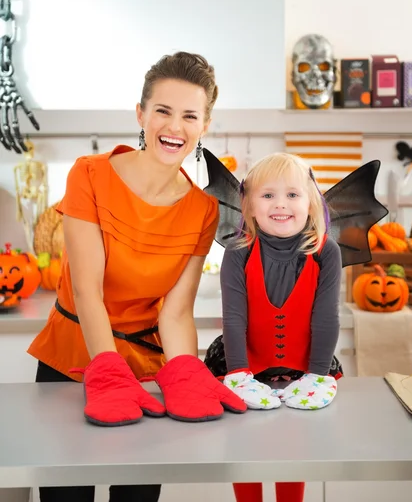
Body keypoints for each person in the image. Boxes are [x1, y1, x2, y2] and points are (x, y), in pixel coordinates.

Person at [27, 51, 246, 502]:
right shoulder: (90, 175)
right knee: (65, 496)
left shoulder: (203, 210)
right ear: (141, 113)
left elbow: (177, 312)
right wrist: (107, 376)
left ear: (205, 125)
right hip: (74, 361)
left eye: (190, 115)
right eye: (163, 110)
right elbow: (88, 289)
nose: (174, 127)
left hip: (148, 371)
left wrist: (184, 372)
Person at [205, 151, 343, 502]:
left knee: (293, 455)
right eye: (268, 195)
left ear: (310, 203)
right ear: (248, 206)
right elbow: (233, 317)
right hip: (244, 366)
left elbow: (326, 317)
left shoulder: (326, 252)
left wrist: (317, 375)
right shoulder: (237, 252)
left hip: (307, 369)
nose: (280, 204)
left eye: (292, 195)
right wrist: (238, 373)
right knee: (245, 452)